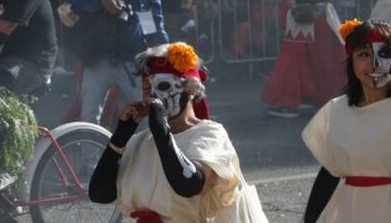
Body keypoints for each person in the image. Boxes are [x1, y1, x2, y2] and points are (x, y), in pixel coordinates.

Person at [88, 42, 268, 221]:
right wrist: (120, 138)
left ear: (192, 89)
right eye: (147, 89)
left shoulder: (210, 135)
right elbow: (99, 194)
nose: (153, 96)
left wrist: (161, 133)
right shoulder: (140, 142)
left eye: (163, 86)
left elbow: (189, 184)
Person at [302, 19, 391, 222]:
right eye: (364, 55)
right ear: (351, 60)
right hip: (352, 212)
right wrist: (308, 220)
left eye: (384, 53)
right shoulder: (337, 110)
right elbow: (330, 171)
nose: (374, 63)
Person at [71, 0, 168, 124]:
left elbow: (152, 20)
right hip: (99, 59)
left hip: (133, 61)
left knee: (147, 115)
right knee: (89, 116)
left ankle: (144, 145)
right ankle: (90, 146)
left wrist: (162, 51)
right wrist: (101, 4)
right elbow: (77, 4)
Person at [259, 0, 345, 118]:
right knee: (305, 60)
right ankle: (305, 99)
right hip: (301, 18)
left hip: (316, 18)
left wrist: (300, 1)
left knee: (305, 59)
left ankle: (291, 103)